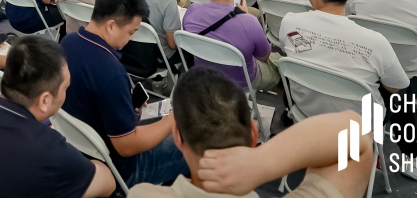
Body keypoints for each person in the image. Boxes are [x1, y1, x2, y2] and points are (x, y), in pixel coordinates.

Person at [127, 70, 373, 198]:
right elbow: (356, 131)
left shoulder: (141, 194)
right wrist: (263, 161)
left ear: (178, 137)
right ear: (254, 133)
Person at [0, 35, 116, 198]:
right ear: (44, 100)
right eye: (65, 87)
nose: (66, 93)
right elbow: (107, 183)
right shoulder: (48, 149)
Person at [279, 0, 415, 171]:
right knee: (403, 91)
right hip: (356, 125)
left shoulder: (290, 22)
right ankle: (412, 156)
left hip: (305, 110)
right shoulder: (375, 41)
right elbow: (395, 87)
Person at [61, 0, 186, 187]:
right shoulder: (111, 72)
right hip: (120, 168)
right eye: (130, 32)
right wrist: (173, 120)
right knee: (193, 142)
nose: (131, 38)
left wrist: (125, 103)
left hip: (81, 150)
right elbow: (127, 146)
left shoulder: (68, 42)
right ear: (111, 25)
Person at [182, 0, 279, 91]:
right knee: (280, 63)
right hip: (243, 82)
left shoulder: (192, 11)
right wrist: (245, 16)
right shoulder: (250, 22)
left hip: (204, 74)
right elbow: (263, 57)